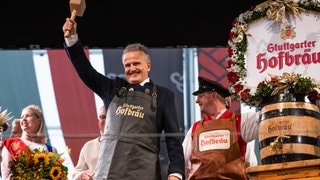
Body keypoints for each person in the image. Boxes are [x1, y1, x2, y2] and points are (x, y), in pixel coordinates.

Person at [62, 18, 185, 180]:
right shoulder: (112, 89)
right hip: (108, 173)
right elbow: (85, 70)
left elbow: (173, 139)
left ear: (148, 66)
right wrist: (72, 39)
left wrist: (175, 173)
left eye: (136, 63)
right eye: (127, 65)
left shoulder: (164, 95)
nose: (132, 68)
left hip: (144, 173)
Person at [182, 76, 259, 180]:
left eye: (200, 96)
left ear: (213, 95)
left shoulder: (240, 122)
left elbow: (250, 163)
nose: (197, 100)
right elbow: (184, 163)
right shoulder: (195, 127)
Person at [1, 104, 57, 179]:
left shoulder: (51, 150)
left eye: (27, 116)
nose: (23, 119)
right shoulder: (10, 144)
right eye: (22, 117)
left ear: (39, 120)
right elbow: (6, 175)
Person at [72, 105, 106, 180]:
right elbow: (75, 174)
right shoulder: (88, 146)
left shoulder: (125, 145)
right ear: (98, 121)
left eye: (109, 117)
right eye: (103, 117)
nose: (106, 120)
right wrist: (82, 175)